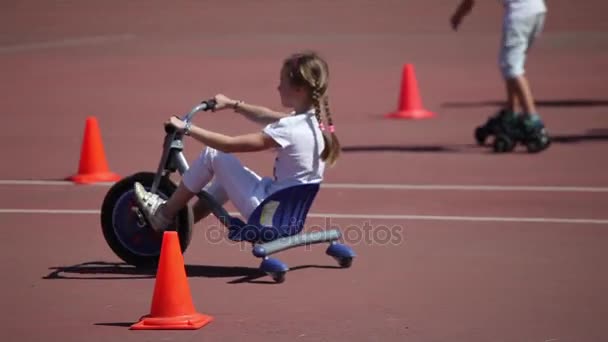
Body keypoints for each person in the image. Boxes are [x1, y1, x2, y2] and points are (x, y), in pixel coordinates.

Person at [133, 51, 341, 232]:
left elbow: (228, 145)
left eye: (283, 81)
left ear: (299, 90)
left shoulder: (290, 128)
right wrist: (233, 104)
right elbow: (268, 115)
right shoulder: (313, 123)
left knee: (213, 155)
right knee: (226, 177)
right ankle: (181, 227)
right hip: (287, 215)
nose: (278, 87)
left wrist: (187, 128)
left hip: (267, 214)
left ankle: (163, 214)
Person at [451, 0, 550, 149]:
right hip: (538, 11)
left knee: (512, 68)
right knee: (513, 65)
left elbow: (469, 1)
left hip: (519, 15)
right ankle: (512, 112)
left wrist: (458, 15)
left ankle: (533, 120)